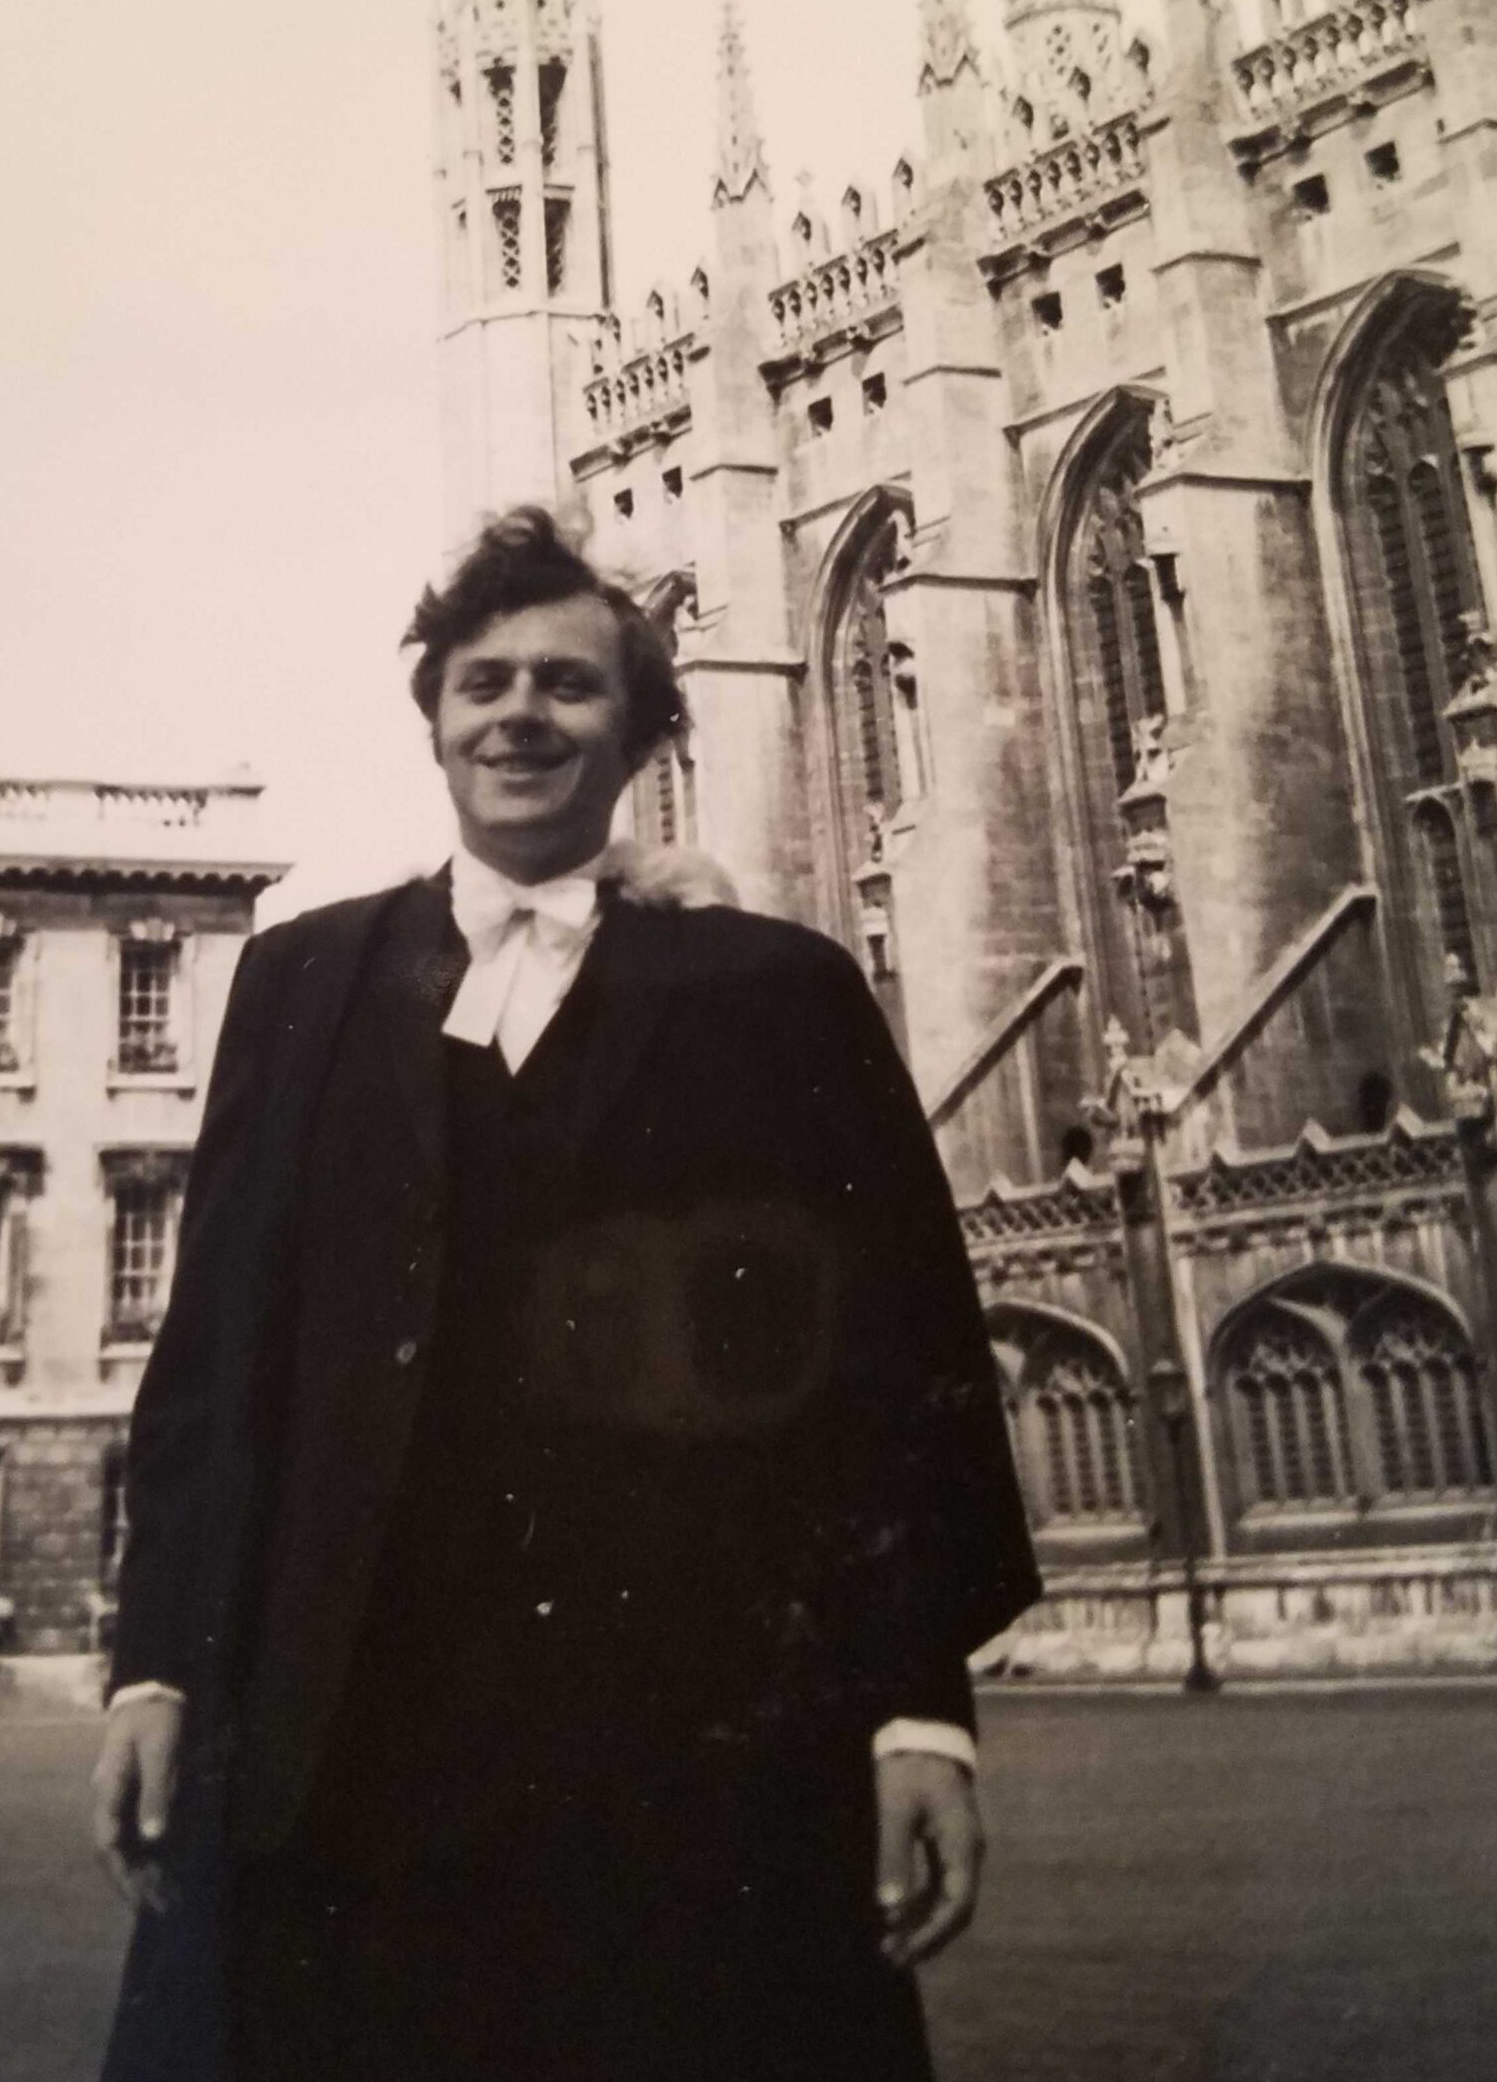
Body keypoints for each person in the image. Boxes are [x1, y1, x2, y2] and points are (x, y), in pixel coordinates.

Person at [92, 505, 1039, 2082]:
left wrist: (915, 1711)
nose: (519, 714)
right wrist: (157, 1661)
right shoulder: (306, 981)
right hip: (352, 1723)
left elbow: (891, 1372)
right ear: (436, 720)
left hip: (695, 1729)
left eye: (568, 685)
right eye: (482, 683)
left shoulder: (778, 990)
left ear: (648, 727)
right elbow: (216, 1361)